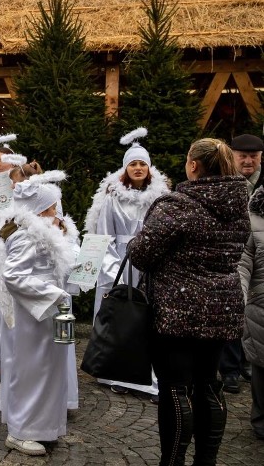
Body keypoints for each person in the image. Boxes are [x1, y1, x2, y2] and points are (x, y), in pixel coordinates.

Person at [128, 138, 250, 466]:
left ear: (193, 165)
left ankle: (172, 462)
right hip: (222, 308)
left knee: (175, 388)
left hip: (178, 312)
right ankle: (206, 461)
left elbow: (141, 254)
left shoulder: (179, 205)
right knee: (209, 383)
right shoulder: (239, 204)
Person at [84, 128, 170, 401]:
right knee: (119, 318)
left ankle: (148, 375)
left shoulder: (160, 198)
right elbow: (102, 236)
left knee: (147, 319)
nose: (138, 168)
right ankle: (116, 372)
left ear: (150, 168)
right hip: (119, 264)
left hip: (149, 264)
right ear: (125, 168)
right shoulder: (111, 198)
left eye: (142, 163)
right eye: (132, 163)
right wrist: (113, 272)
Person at [0, 178, 75, 456]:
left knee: (49, 370)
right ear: (39, 210)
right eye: (52, 208)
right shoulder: (25, 235)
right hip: (32, 315)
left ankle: (44, 426)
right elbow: (13, 276)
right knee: (29, 370)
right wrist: (50, 294)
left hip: (49, 313)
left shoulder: (46, 233)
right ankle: (20, 431)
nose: (57, 213)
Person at [222, 133, 264, 393]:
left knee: (254, 313)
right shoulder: (225, 181)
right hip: (230, 251)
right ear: (233, 157)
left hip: (259, 254)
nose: (248, 161)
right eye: (243, 156)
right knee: (232, 308)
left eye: (254, 156)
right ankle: (229, 369)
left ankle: (250, 361)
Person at [238, 185, 264, 441]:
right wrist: (241, 295)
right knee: (261, 364)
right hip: (260, 304)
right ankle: (260, 419)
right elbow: (244, 262)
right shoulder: (254, 217)